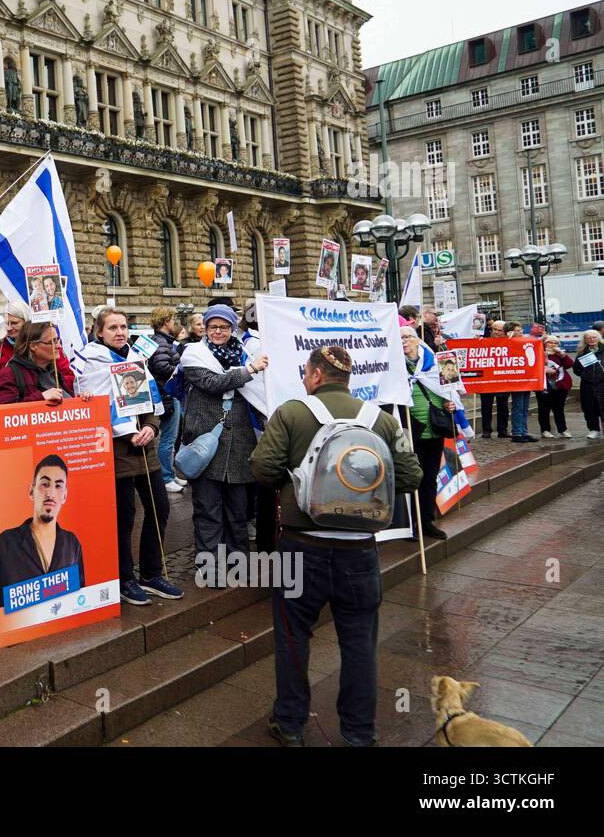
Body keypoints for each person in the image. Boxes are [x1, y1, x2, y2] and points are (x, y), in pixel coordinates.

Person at [250, 345, 423, 747]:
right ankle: (359, 732)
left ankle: (290, 723)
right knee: (360, 642)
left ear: (313, 375)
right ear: (347, 378)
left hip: (300, 545)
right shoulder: (379, 419)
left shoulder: (293, 413)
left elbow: (262, 468)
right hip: (359, 550)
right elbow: (411, 476)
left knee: (293, 637)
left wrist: (297, 483)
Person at [77, 307, 182, 603]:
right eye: (112, 328)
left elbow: (149, 403)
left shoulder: (135, 359)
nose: (120, 332)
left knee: (160, 507)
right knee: (124, 517)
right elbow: (92, 410)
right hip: (117, 451)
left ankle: (151, 573)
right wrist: (125, 433)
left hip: (145, 450)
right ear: (100, 332)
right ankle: (125, 578)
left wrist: (150, 426)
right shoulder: (91, 362)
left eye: (123, 327)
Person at [179, 304, 268, 577]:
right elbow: (213, 382)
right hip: (207, 443)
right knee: (208, 511)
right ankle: (210, 568)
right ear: (205, 329)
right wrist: (249, 369)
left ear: (232, 329)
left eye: (225, 327)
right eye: (213, 327)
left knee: (237, 512)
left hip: (239, 444)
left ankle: (238, 564)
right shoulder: (193, 354)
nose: (218, 332)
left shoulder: (243, 353)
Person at [0, 455, 85, 595]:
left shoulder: (72, 544)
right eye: (45, 484)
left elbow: (79, 595)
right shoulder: (5, 543)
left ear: (65, 496)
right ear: (31, 491)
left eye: (58, 486)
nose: (51, 493)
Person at [401, 325, 454, 539]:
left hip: (434, 428)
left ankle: (426, 520)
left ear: (416, 340)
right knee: (414, 477)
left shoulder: (439, 361)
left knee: (430, 476)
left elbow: (450, 390)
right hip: (410, 429)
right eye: (400, 338)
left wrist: (450, 404)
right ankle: (411, 524)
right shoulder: (396, 367)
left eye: (407, 337)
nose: (404, 341)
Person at [0, 301, 75, 390]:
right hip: (16, 400)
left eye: (14, 323)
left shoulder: (50, 346)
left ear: (26, 321)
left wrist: (52, 385)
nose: (9, 328)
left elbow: (69, 378)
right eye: (7, 323)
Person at [0, 321, 71, 406]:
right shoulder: (10, 374)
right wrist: (41, 397)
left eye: (58, 340)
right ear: (33, 346)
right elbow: (3, 411)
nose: (59, 346)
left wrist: (79, 400)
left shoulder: (53, 372)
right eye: (52, 342)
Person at [147, 307, 184, 494]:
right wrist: (181, 368)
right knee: (168, 438)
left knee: (171, 437)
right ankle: (166, 477)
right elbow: (162, 368)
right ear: (165, 322)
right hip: (166, 394)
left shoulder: (161, 341)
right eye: (172, 319)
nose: (174, 323)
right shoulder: (161, 342)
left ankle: (169, 473)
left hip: (167, 394)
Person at [503, 324, 537, 443]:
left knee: (524, 407)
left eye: (520, 330)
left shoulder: (524, 342)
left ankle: (523, 431)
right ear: (509, 332)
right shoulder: (507, 343)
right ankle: (517, 432)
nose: (520, 332)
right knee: (518, 407)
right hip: (516, 380)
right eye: (517, 330)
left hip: (525, 379)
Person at [538, 336, 574, 438]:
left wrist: (563, 355)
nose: (553, 345)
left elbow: (570, 364)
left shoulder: (559, 355)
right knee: (544, 408)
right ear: (545, 343)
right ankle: (545, 430)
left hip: (560, 384)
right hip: (544, 385)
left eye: (555, 343)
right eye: (550, 342)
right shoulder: (540, 353)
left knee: (559, 408)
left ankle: (563, 429)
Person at [479, 321, 510, 438]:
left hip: (502, 378)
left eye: (499, 330)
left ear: (505, 332)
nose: (496, 332)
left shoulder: (509, 342)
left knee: (503, 406)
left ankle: (503, 430)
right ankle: (486, 430)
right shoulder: (483, 340)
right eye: (494, 329)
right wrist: (475, 342)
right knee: (486, 406)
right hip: (486, 379)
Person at [574, 330, 604, 439]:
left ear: (598, 338)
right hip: (588, 386)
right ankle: (593, 430)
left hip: (602, 385)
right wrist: (585, 374)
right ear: (585, 340)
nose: (591, 340)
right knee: (590, 408)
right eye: (589, 338)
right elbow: (576, 369)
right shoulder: (582, 352)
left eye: (594, 337)